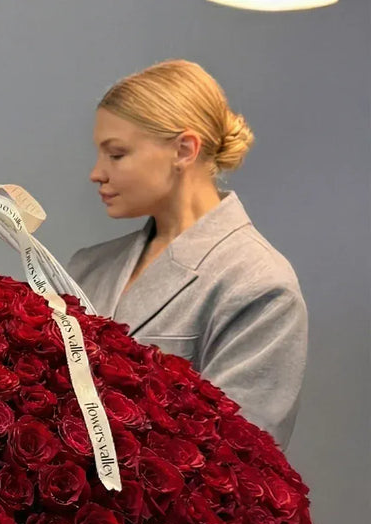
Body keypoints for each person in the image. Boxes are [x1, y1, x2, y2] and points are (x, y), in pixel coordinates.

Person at [68, 59, 307, 449]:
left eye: (116, 154)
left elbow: (239, 459)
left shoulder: (260, 285)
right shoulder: (86, 267)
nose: (97, 172)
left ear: (184, 149)